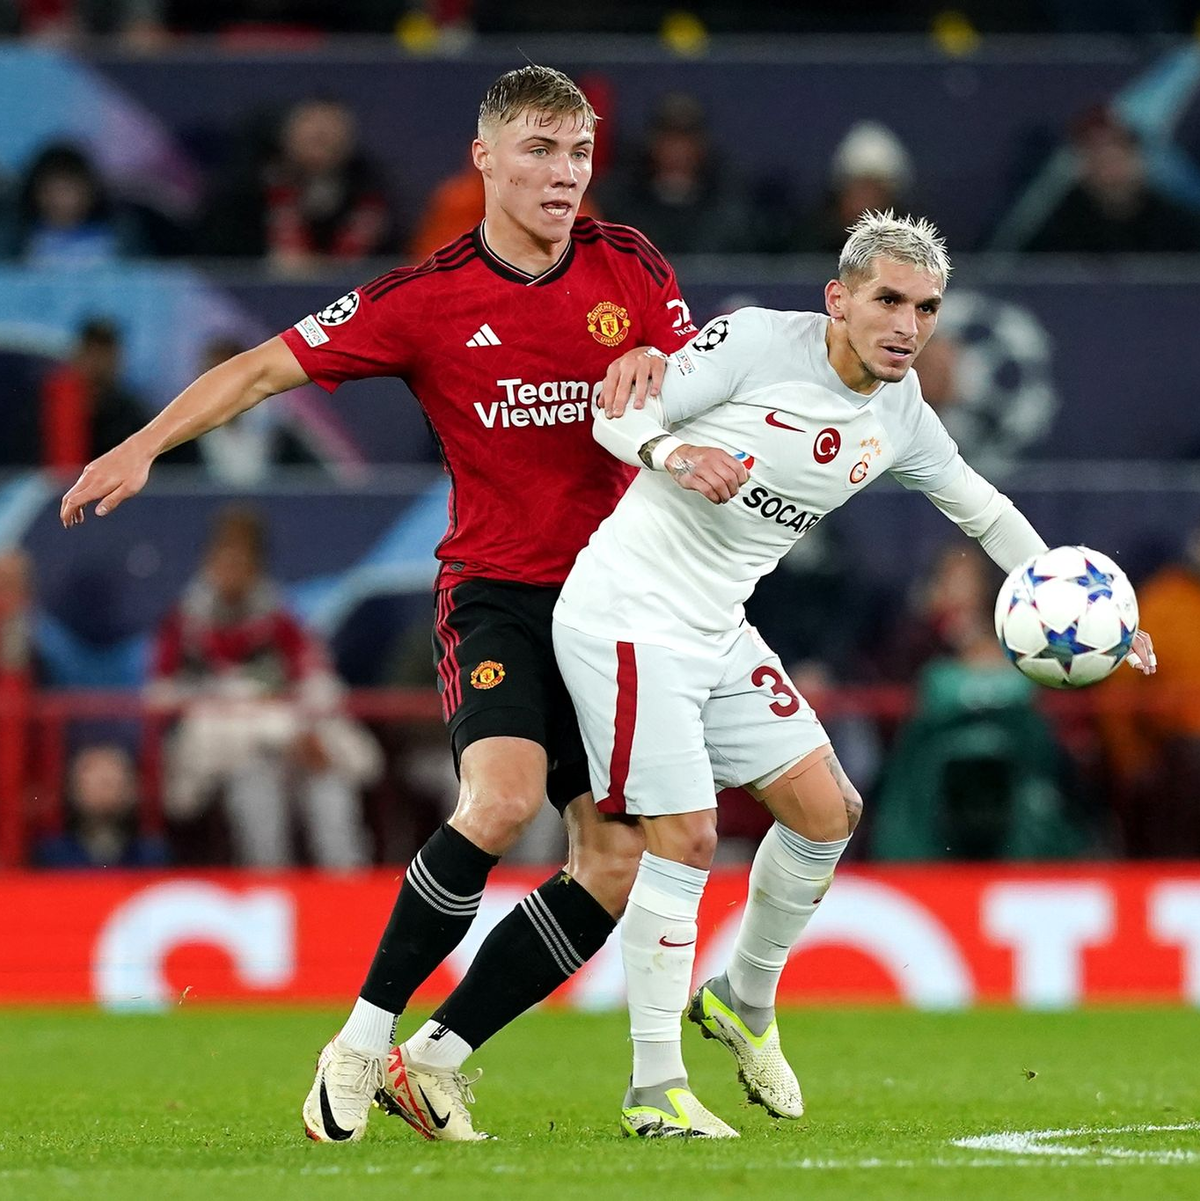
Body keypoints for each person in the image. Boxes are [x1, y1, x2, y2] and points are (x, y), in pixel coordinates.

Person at [59, 64, 694, 1144]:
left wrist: (659, 361)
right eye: (539, 151)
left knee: (618, 859)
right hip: (495, 589)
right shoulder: (423, 298)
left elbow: (698, 385)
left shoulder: (629, 266)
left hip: (611, 599)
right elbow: (265, 368)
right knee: (500, 801)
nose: (563, 174)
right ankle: (356, 1046)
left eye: (578, 154)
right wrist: (143, 443)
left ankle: (436, 1063)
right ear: (484, 157)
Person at [550, 210, 1157, 1136]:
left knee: (827, 809)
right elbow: (620, 411)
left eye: (926, 307)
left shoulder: (902, 411)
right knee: (685, 836)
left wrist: (1094, 609)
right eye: (887, 300)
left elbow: (984, 512)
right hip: (629, 613)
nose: (907, 325)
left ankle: (743, 1001)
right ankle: (653, 1087)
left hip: (715, 625)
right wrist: (676, 451)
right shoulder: (755, 343)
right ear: (838, 299)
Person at [149, 507, 379, 869]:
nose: (232, 572)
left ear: (256, 566)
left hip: (297, 742)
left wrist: (298, 723)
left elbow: (316, 680)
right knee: (256, 790)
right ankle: (269, 889)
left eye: (242, 561)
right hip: (230, 748)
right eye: (224, 560)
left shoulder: (279, 619)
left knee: (329, 788)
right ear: (208, 562)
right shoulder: (186, 624)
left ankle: (345, 890)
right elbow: (160, 693)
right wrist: (236, 697)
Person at [199, 97, 393, 271]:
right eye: (313, 134)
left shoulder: (370, 192)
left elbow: (392, 260)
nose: (322, 136)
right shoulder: (246, 189)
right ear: (287, 134)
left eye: (330, 135)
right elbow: (217, 254)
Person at [33, 743, 168, 870]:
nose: (106, 788)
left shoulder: (153, 854)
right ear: (72, 789)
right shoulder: (51, 856)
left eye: (114, 779)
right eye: (95, 778)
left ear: (133, 790)